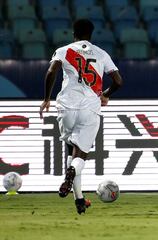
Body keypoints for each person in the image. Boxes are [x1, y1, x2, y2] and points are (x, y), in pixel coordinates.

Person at [39, 19, 123, 214]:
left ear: (73, 33)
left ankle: (79, 200)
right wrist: (106, 95)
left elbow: (51, 71)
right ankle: (71, 177)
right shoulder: (101, 53)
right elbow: (118, 80)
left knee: (71, 151)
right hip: (90, 108)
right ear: (91, 34)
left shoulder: (63, 50)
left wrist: (46, 99)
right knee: (80, 156)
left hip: (66, 106)